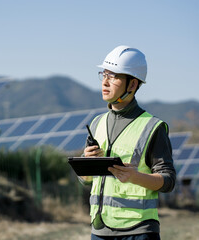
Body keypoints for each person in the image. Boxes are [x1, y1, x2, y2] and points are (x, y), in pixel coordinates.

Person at [79, 46, 176, 240]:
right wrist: (85, 164)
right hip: (99, 230)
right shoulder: (97, 123)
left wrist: (135, 176)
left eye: (113, 76)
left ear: (132, 85)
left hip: (139, 231)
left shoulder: (153, 127)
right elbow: (86, 181)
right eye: (104, 74)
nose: (105, 82)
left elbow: (168, 181)